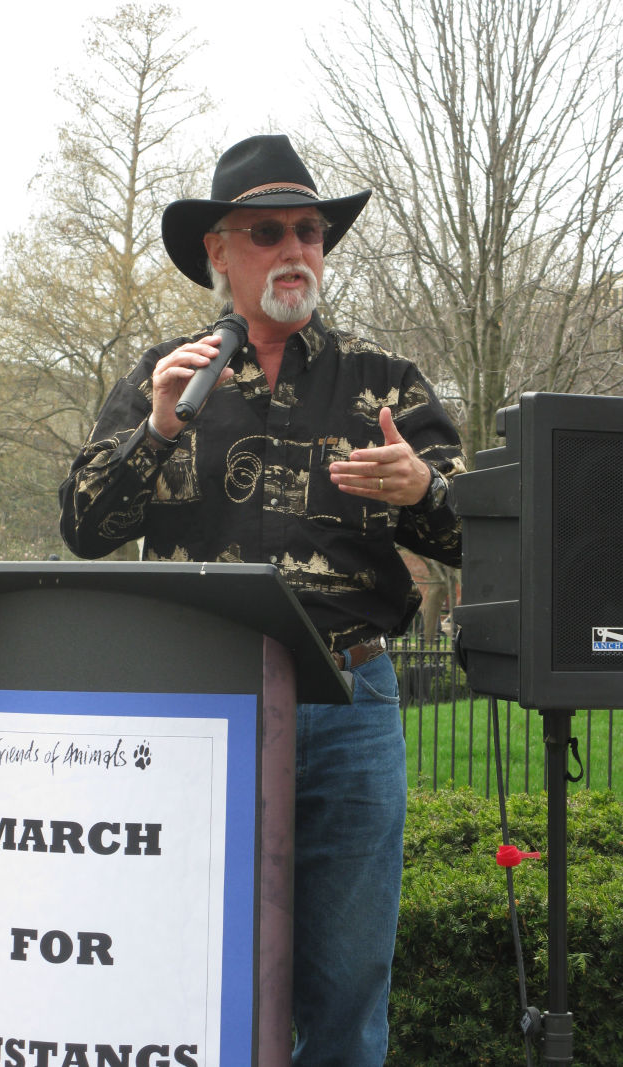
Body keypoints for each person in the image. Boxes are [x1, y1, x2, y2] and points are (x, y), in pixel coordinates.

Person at [59, 134, 464, 1065]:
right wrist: (158, 429)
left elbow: (482, 534)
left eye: (309, 231)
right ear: (219, 251)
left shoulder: (383, 381)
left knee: (348, 982)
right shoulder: (166, 375)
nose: (295, 250)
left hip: (350, 700)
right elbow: (83, 525)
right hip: (202, 706)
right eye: (268, 231)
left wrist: (423, 489)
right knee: (194, 961)